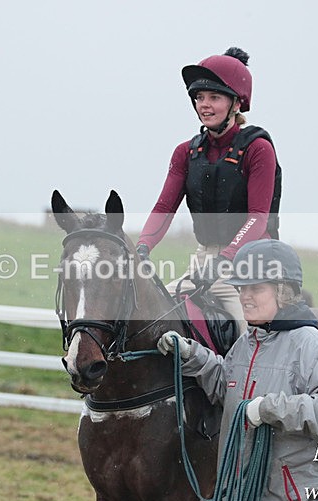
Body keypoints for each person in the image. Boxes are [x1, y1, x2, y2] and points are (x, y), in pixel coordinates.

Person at [157, 239, 318, 501]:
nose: (245, 297)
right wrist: (192, 355)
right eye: (242, 288)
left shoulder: (311, 344)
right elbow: (230, 391)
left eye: (256, 288)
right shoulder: (246, 344)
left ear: (283, 291)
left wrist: (269, 409)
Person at [136, 47, 282, 331]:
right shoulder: (185, 153)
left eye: (214, 97)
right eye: (199, 97)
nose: (204, 104)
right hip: (204, 259)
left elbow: (258, 217)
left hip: (251, 264)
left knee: (246, 337)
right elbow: (164, 208)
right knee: (151, 320)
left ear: (236, 103)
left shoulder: (258, 149)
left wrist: (225, 259)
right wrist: (141, 247)